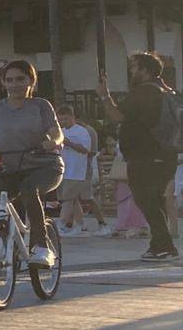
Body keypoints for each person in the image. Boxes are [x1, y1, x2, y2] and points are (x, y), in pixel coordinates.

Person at [0, 61, 63, 268]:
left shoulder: (41, 105)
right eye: (9, 80)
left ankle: (42, 247)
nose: (15, 85)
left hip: (46, 166)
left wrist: (54, 141)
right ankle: (2, 246)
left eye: (21, 79)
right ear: (3, 83)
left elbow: (56, 132)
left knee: (29, 190)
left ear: (31, 81)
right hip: (13, 170)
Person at [97, 51, 180, 261]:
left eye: (134, 67)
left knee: (146, 201)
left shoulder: (144, 92)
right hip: (167, 155)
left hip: (145, 156)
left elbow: (117, 116)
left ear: (144, 70)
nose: (131, 72)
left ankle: (164, 246)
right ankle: (158, 245)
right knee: (154, 201)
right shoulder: (168, 91)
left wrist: (104, 95)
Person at [56, 104, 107, 238]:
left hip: (78, 171)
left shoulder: (82, 131)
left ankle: (61, 225)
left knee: (71, 199)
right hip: (66, 171)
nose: (63, 122)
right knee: (75, 200)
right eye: (60, 120)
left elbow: (87, 151)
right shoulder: (62, 131)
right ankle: (79, 225)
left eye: (65, 119)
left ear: (73, 117)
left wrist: (69, 143)